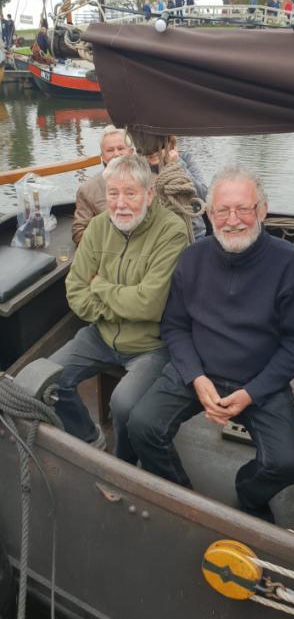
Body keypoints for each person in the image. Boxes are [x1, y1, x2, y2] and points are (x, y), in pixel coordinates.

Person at [127, 166, 294, 523]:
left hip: (259, 380)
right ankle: (181, 493)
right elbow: (175, 326)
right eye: (223, 211)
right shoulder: (192, 259)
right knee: (142, 424)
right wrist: (196, 378)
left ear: (262, 210)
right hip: (199, 370)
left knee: (291, 463)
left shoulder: (291, 265)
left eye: (244, 208)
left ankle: (248, 491)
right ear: (209, 214)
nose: (233, 220)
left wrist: (251, 393)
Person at [51, 154, 189, 457]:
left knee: (124, 405)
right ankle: (87, 436)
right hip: (100, 334)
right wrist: (114, 307)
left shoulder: (171, 232)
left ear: (149, 194)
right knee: (47, 380)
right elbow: (74, 291)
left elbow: (149, 305)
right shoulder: (99, 227)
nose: (120, 203)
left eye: (130, 193)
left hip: (150, 344)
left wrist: (99, 286)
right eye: (113, 193)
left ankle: (124, 463)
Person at [72, 125, 134, 245]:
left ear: (130, 152)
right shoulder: (88, 190)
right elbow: (78, 233)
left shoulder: (148, 182)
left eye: (121, 148)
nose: (116, 154)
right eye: (110, 150)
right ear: (102, 157)